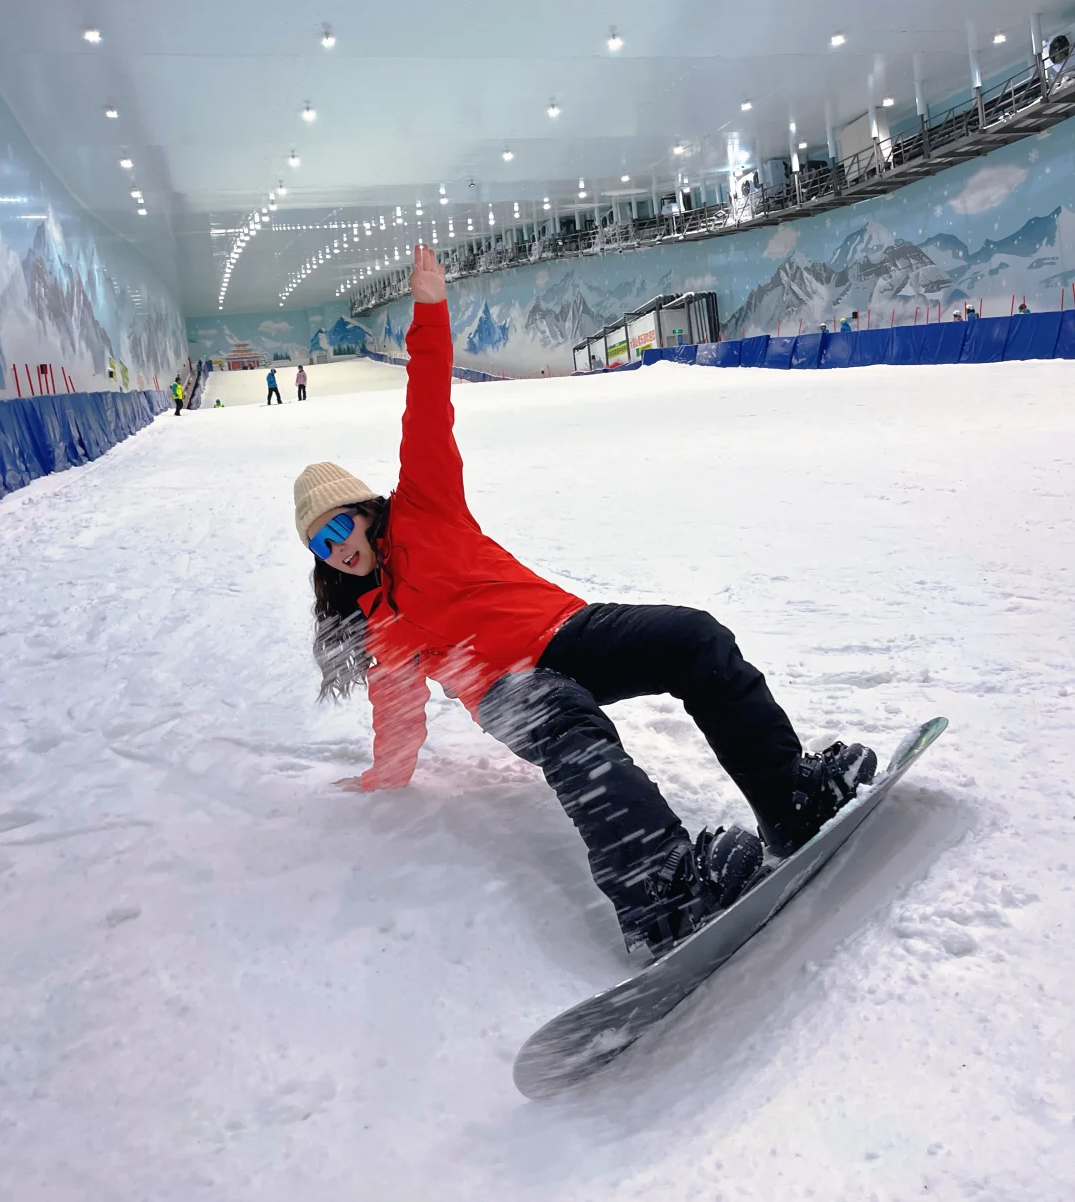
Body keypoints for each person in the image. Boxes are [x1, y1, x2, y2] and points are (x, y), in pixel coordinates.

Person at [293, 247, 877, 960]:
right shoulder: (377, 620)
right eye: (319, 545)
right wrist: (383, 777)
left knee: (695, 639)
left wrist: (431, 308)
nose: (335, 548)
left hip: (568, 630)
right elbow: (398, 709)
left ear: (361, 509)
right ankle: (664, 891)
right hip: (506, 688)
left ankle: (793, 802)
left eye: (336, 526)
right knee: (567, 722)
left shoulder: (425, 506)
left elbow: (427, 404)